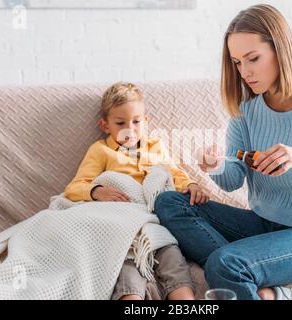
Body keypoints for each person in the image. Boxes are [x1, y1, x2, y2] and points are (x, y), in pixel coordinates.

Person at [154, 4, 292, 300]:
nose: (245, 72)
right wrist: (215, 166)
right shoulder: (248, 107)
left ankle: (248, 273)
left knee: (226, 263)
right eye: (237, 62)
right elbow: (232, 180)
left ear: (281, 49)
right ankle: (263, 281)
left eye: (253, 58)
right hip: (263, 225)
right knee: (169, 202)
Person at [64, 82, 210, 300]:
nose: (130, 129)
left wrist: (190, 185)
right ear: (105, 125)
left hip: (155, 221)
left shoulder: (155, 146)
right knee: (128, 269)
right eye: (120, 123)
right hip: (124, 227)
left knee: (173, 260)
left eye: (136, 122)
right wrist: (98, 191)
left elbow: (173, 173)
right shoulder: (101, 150)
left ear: (146, 122)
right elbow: (75, 187)